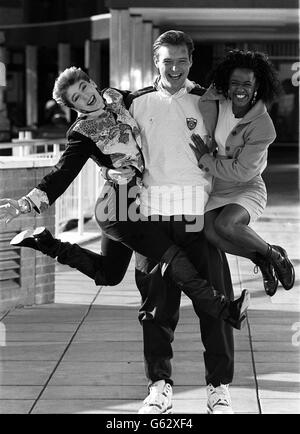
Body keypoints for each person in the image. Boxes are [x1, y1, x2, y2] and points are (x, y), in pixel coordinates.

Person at [0, 68, 248, 321]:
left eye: (84, 88)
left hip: (134, 202)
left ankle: (45, 243)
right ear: (74, 107)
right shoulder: (82, 132)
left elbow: (149, 96)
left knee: (109, 274)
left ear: (92, 83)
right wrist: (23, 205)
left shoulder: (116, 97)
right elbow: (62, 173)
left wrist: (187, 86)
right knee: (174, 256)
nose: (85, 97)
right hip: (117, 210)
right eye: (77, 98)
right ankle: (225, 310)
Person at [106, 30, 240, 414]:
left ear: (191, 61)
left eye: (182, 60)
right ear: (156, 61)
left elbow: (235, 143)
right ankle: (159, 385)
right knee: (156, 309)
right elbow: (110, 144)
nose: (176, 68)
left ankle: (218, 388)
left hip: (198, 217)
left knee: (214, 306)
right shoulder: (135, 104)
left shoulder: (208, 101)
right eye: (168, 61)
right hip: (151, 221)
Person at [189, 49, 295, 297]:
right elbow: (203, 99)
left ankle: (275, 255)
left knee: (226, 225)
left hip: (247, 186)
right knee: (210, 232)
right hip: (219, 186)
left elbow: (242, 171)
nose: (240, 89)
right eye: (234, 82)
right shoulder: (219, 102)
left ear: (257, 86)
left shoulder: (264, 126)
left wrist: (206, 159)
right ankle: (261, 259)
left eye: (247, 84)